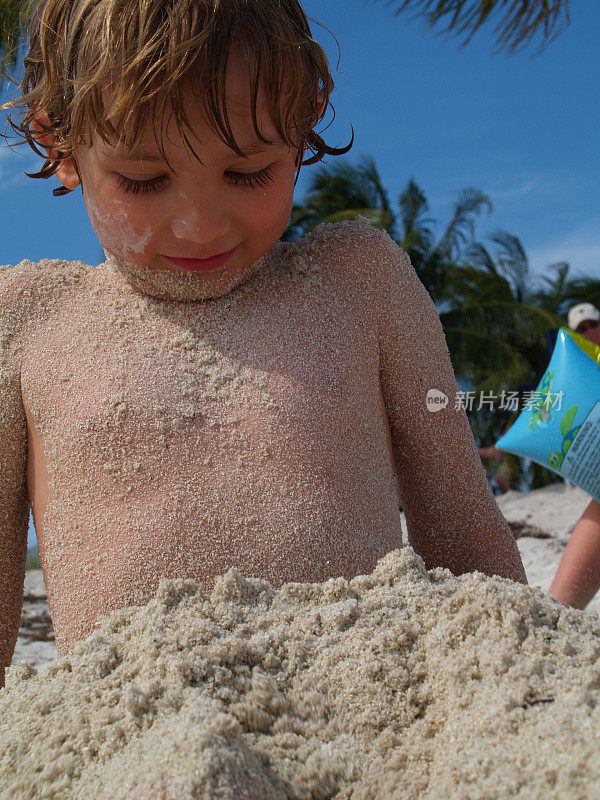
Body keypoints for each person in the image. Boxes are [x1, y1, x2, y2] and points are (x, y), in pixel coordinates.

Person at [0, 0, 527, 693]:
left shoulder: (357, 284)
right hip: (132, 733)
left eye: (247, 173)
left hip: (368, 713)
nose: (198, 223)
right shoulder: (27, 322)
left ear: (304, 123)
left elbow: (468, 542)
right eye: (143, 180)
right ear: (58, 146)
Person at [549, 302, 600, 609]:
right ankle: (560, 609)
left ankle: (559, 608)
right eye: (582, 329)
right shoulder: (571, 369)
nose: (591, 331)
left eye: (594, 324)